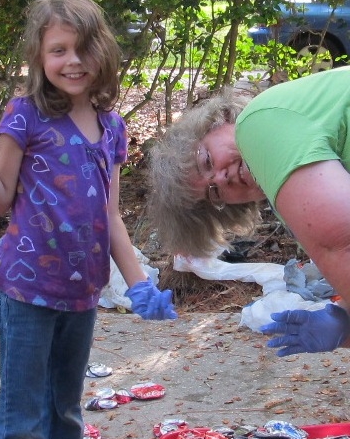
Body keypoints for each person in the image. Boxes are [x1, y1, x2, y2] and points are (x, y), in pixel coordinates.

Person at [0, 0, 177, 439]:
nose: (72, 61)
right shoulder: (24, 114)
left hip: (83, 292)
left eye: (83, 49)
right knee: (24, 418)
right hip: (26, 288)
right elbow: (0, 200)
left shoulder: (112, 126)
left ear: (103, 52)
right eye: (58, 50)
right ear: (39, 56)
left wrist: (138, 283)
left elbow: (111, 215)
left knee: (66, 407)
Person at [149, 66, 350, 358]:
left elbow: (341, 242)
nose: (221, 179)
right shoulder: (288, 192)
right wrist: (344, 319)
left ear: (220, 121)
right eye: (214, 193)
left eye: (207, 161)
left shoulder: (257, 122)